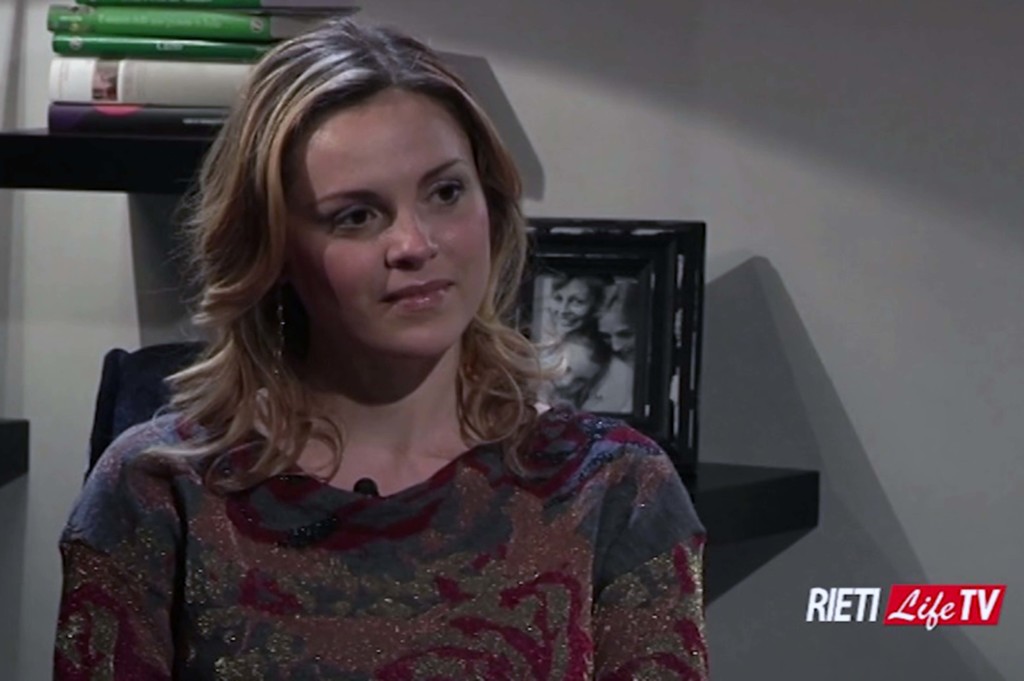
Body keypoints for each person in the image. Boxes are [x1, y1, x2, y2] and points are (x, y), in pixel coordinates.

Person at [54, 17, 707, 680]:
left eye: (445, 192)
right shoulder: (157, 495)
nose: (415, 244)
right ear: (274, 250)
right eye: (357, 216)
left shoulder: (615, 491)